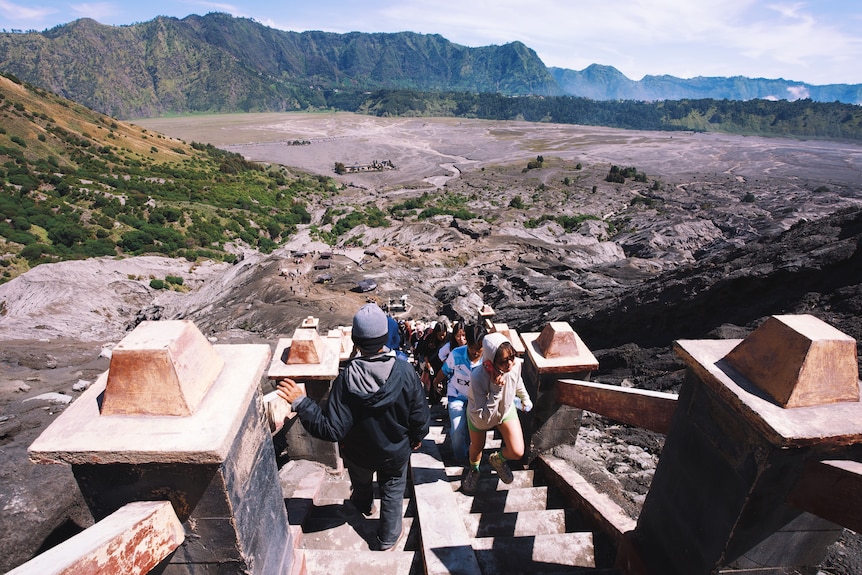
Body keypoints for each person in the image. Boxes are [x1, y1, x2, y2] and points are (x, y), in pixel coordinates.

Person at [276, 303, 430, 551]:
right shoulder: (404, 371)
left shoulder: (346, 378)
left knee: (361, 482)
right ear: (385, 336)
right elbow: (419, 413)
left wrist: (302, 402)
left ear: (356, 340)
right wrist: (417, 436)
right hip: (395, 452)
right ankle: (388, 539)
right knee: (392, 490)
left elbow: (332, 430)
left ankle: (364, 505)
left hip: (358, 453)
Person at [462, 332, 533, 495]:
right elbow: (484, 418)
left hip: (505, 410)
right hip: (480, 416)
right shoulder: (478, 376)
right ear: (490, 360)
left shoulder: (514, 367)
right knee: (477, 447)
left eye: (512, 357)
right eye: (503, 361)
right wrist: (496, 389)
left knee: (517, 451)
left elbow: (517, 382)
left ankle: (497, 460)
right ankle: (474, 470)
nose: (509, 364)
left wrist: (524, 398)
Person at [438, 324, 484, 462]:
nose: (475, 352)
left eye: (479, 349)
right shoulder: (456, 353)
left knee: (476, 430)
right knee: (457, 430)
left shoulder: (488, 356)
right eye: (472, 348)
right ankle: (461, 458)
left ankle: (474, 456)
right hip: (456, 394)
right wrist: (436, 382)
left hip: (478, 398)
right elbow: (445, 370)